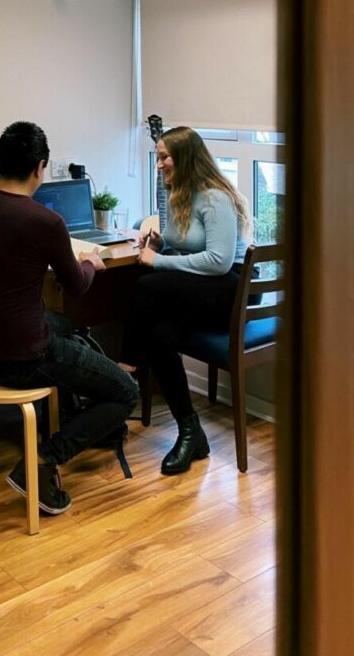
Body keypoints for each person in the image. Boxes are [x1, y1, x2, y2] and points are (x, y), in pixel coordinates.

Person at [0, 121, 138, 515]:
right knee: (125, 392)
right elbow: (77, 287)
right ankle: (45, 459)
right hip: (22, 360)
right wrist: (90, 262)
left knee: (66, 327)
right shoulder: (45, 222)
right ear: (41, 167)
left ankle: (69, 414)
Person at [120, 126, 252, 475]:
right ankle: (191, 432)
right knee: (158, 335)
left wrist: (158, 261)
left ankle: (124, 375)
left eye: (164, 157)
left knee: (148, 286)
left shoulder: (214, 197)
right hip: (203, 290)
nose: (159, 164)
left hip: (230, 291)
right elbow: (188, 248)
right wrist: (162, 245)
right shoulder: (180, 194)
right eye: (158, 156)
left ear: (186, 158)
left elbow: (218, 261)